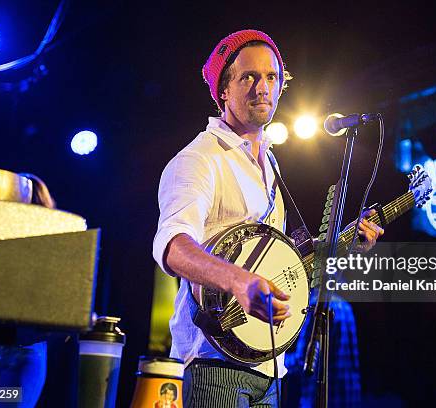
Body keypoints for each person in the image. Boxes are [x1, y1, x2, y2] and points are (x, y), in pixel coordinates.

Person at [152, 29, 384, 408]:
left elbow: (280, 265)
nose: (262, 87)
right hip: (216, 366)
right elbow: (173, 247)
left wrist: (343, 245)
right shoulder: (199, 159)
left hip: (268, 366)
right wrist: (241, 283)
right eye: (248, 77)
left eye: (271, 77)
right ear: (223, 90)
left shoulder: (268, 164)